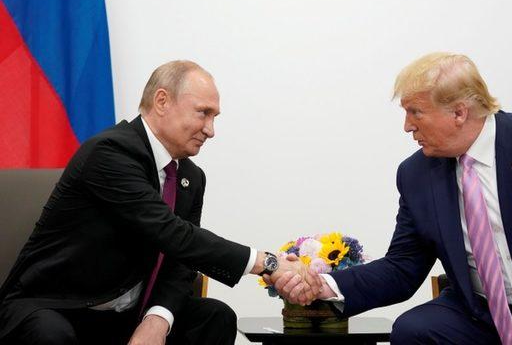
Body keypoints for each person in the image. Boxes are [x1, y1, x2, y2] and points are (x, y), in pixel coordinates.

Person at [271, 52, 512, 344]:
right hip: (489, 314)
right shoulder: (416, 174)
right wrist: (326, 285)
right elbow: (403, 266)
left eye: (415, 112)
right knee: (415, 331)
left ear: (459, 112)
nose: (407, 126)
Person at [0, 60, 320, 345]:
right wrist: (268, 263)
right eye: (203, 113)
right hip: (58, 306)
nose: (211, 130)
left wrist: (158, 319)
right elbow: (171, 233)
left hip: (126, 314)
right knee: (51, 334)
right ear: (162, 101)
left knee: (214, 316)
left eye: (214, 117)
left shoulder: (190, 177)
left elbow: (180, 260)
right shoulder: (109, 153)